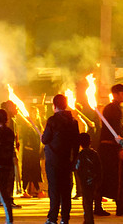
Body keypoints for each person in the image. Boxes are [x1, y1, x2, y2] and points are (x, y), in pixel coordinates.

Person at [94, 84, 123, 216]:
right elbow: (115, 131)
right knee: (116, 177)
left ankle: (102, 207)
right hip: (111, 147)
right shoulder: (113, 109)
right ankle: (119, 207)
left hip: (108, 147)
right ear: (116, 94)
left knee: (106, 177)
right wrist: (120, 147)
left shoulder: (113, 108)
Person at [41, 94, 80, 224]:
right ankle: (65, 218)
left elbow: (45, 139)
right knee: (66, 190)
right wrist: (74, 160)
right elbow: (76, 143)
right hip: (67, 160)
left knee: (54, 189)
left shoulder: (52, 120)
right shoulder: (73, 122)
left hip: (53, 160)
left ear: (54, 106)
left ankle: (52, 218)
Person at [76, 133, 102, 224]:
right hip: (94, 179)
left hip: (84, 180)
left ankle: (88, 219)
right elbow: (99, 167)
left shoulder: (80, 155)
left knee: (86, 201)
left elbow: (77, 167)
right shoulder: (94, 154)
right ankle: (89, 219)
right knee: (91, 199)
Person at [1, 100, 22, 208]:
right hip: (8, 154)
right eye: (14, 106)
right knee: (9, 177)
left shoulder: (11, 120)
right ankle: (7, 199)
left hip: (8, 153)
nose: (17, 108)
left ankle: (6, 199)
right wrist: (13, 154)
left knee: (8, 177)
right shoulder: (9, 121)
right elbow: (10, 140)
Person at [20, 105, 42, 198]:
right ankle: (24, 190)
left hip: (35, 153)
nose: (35, 114)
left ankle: (38, 190)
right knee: (27, 171)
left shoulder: (38, 126)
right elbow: (22, 137)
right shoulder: (26, 125)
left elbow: (41, 138)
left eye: (36, 113)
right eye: (33, 112)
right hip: (28, 152)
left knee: (36, 171)